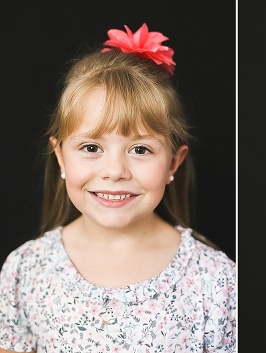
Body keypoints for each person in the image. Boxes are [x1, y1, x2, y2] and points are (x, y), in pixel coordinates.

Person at [0, 23, 236, 352]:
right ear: (61, 157)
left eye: (140, 150)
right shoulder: (25, 271)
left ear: (172, 163)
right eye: (91, 148)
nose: (114, 171)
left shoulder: (216, 281)